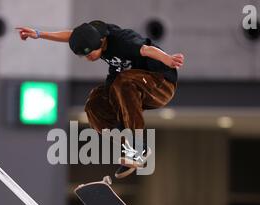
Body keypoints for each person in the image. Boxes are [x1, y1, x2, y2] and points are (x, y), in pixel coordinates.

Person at [16, 20, 184, 178]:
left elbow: (146, 49)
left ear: (102, 42)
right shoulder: (91, 33)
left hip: (160, 82)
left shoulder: (123, 40)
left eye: (90, 54)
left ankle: (138, 146)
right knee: (94, 104)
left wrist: (168, 59)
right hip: (131, 85)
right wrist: (38, 34)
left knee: (123, 81)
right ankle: (131, 146)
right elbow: (71, 35)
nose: (88, 58)